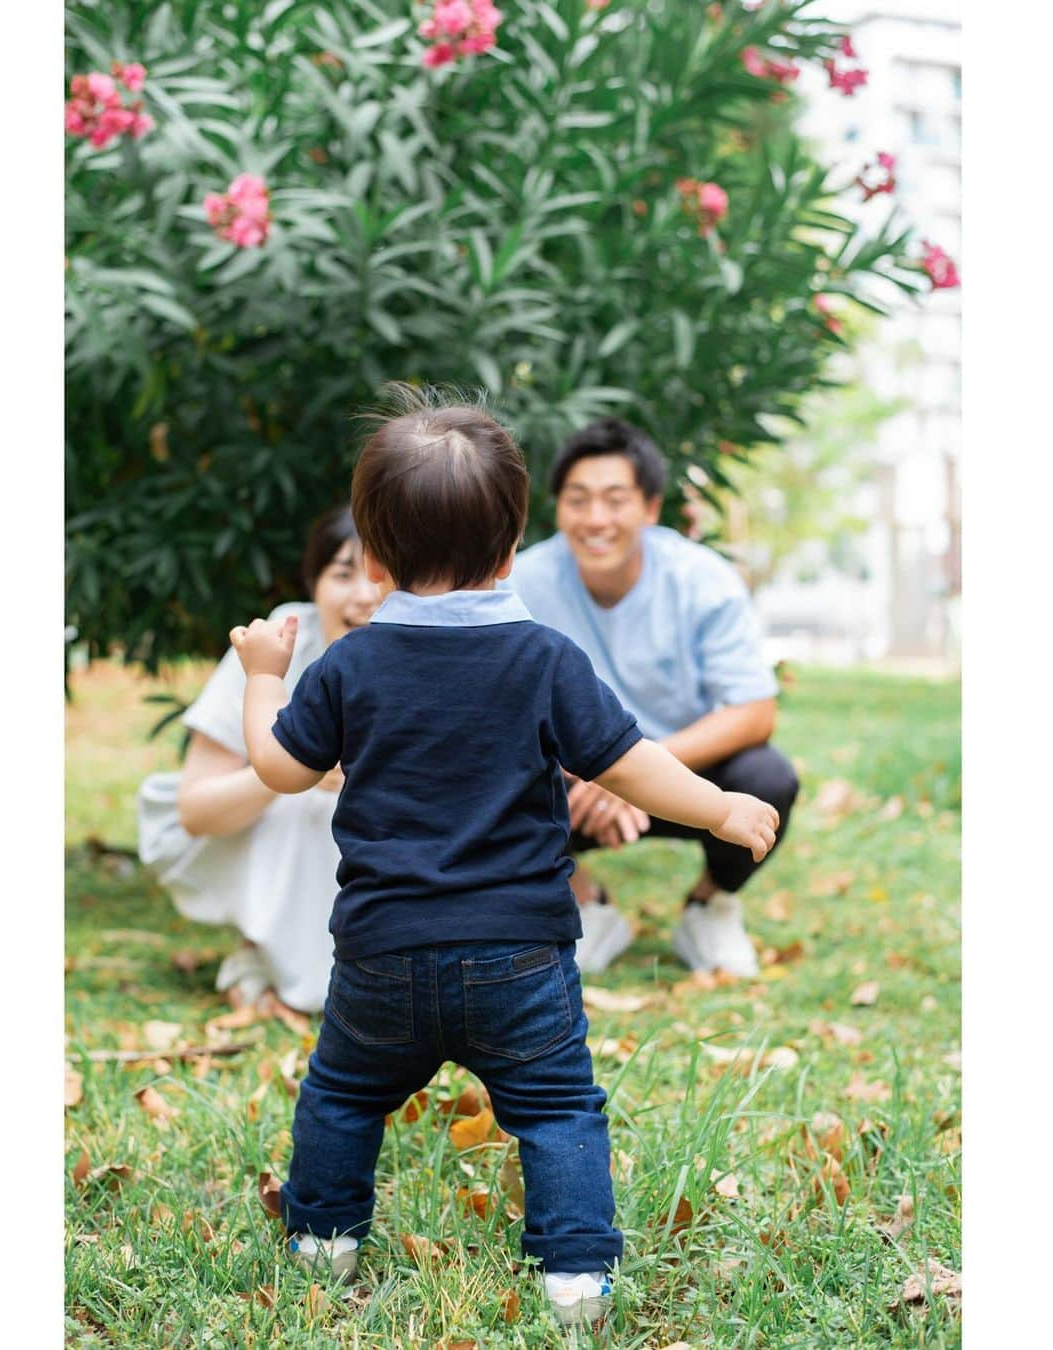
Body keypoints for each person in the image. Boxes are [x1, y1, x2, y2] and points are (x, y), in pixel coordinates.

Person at [227, 388, 779, 1328]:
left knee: (344, 1096)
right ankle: (574, 1280)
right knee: (559, 1109)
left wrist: (264, 678)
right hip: (519, 955)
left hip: (380, 953)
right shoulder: (546, 658)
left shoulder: (350, 665)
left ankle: (323, 1243)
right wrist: (719, 802)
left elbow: (279, 767)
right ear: (511, 538)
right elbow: (632, 766)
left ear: (378, 547)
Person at [507, 417, 800, 977]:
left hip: (683, 775)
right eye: (578, 500)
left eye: (615, 500)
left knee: (768, 778)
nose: (596, 519)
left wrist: (636, 770)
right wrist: (592, 773)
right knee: (492, 778)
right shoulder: (524, 581)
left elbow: (755, 710)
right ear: (558, 508)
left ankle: (709, 906)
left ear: (649, 507)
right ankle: (584, 903)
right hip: (573, 785)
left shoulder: (702, 579)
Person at [136, 508, 380, 1013]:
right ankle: (268, 958)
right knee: (307, 808)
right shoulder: (275, 643)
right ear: (313, 582)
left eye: (380, 574)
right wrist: (292, 768)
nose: (363, 595)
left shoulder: (426, 646)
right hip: (264, 827)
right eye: (342, 573)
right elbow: (197, 809)